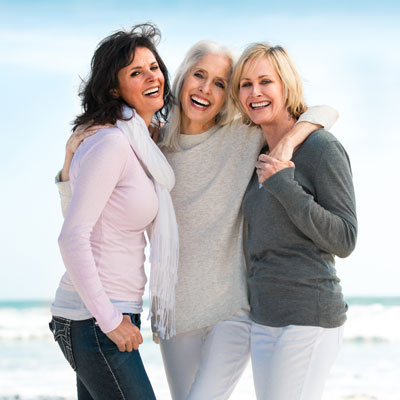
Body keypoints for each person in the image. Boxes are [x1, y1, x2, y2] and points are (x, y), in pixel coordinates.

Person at [57, 40, 338, 400]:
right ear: (183, 77)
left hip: (232, 309)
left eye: (220, 83)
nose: (206, 89)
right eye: (199, 75)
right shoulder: (149, 147)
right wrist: (69, 158)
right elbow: (84, 224)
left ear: (228, 96)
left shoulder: (243, 137)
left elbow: (325, 111)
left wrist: (290, 141)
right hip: (175, 314)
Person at [49, 23, 179, 400]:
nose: (151, 76)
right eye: (135, 72)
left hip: (108, 312)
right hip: (93, 318)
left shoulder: (141, 145)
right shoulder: (112, 142)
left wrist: (67, 164)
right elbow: (72, 236)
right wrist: (109, 321)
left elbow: (82, 215)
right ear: (113, 88)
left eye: (153, 67)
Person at [230, 42, 357, 400]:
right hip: (264, 319)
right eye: (245, 84)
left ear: (286, 86)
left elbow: (346, 238)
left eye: (265, 82)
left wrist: (284, 185)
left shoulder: (321, 148)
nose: (255, 93)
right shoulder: (255, 151)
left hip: (309, 316)